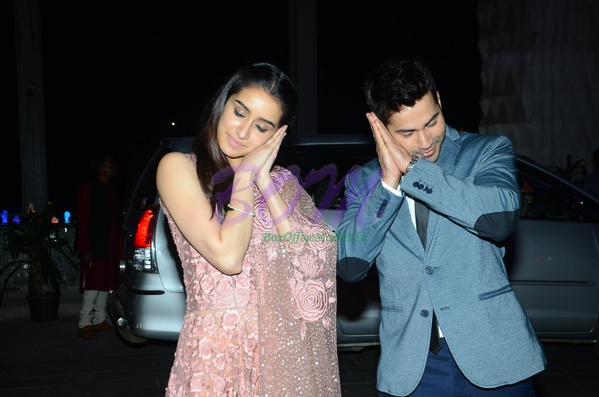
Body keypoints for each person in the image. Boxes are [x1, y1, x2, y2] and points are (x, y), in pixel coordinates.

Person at [336, 57, 546, 396]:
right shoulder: (363, 182)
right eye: (407, 132)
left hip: (494, 356)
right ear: (379, 127)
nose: (424, 141)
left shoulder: (486, 152)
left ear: (440, 101)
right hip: (412, 369)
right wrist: (389, 184)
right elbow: (350, 265)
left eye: (432, 121)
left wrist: (413, 172)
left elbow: (499, 219)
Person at [156, 62, 340, 396]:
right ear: (223, 104)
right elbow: (228, 257)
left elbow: (312, 261)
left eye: (261, 126)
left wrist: (264, 181)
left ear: (277, 135)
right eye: (239, 112)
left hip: (278, 355)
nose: (242, 132)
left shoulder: (282, 185)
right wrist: (244, 178)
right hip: (215, 356)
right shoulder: (179, 168)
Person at [76, 155, 121, 340]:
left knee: (105, 284)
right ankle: (84, 322)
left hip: (108, 245)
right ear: (100, 169)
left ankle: (100, 319)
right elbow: (83, 220)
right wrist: (85, 248)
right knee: (93, 285)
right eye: (109, 166)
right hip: (93, 245)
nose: (112, 170)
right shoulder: (89, 189)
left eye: (113, 166)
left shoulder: (111, 190)